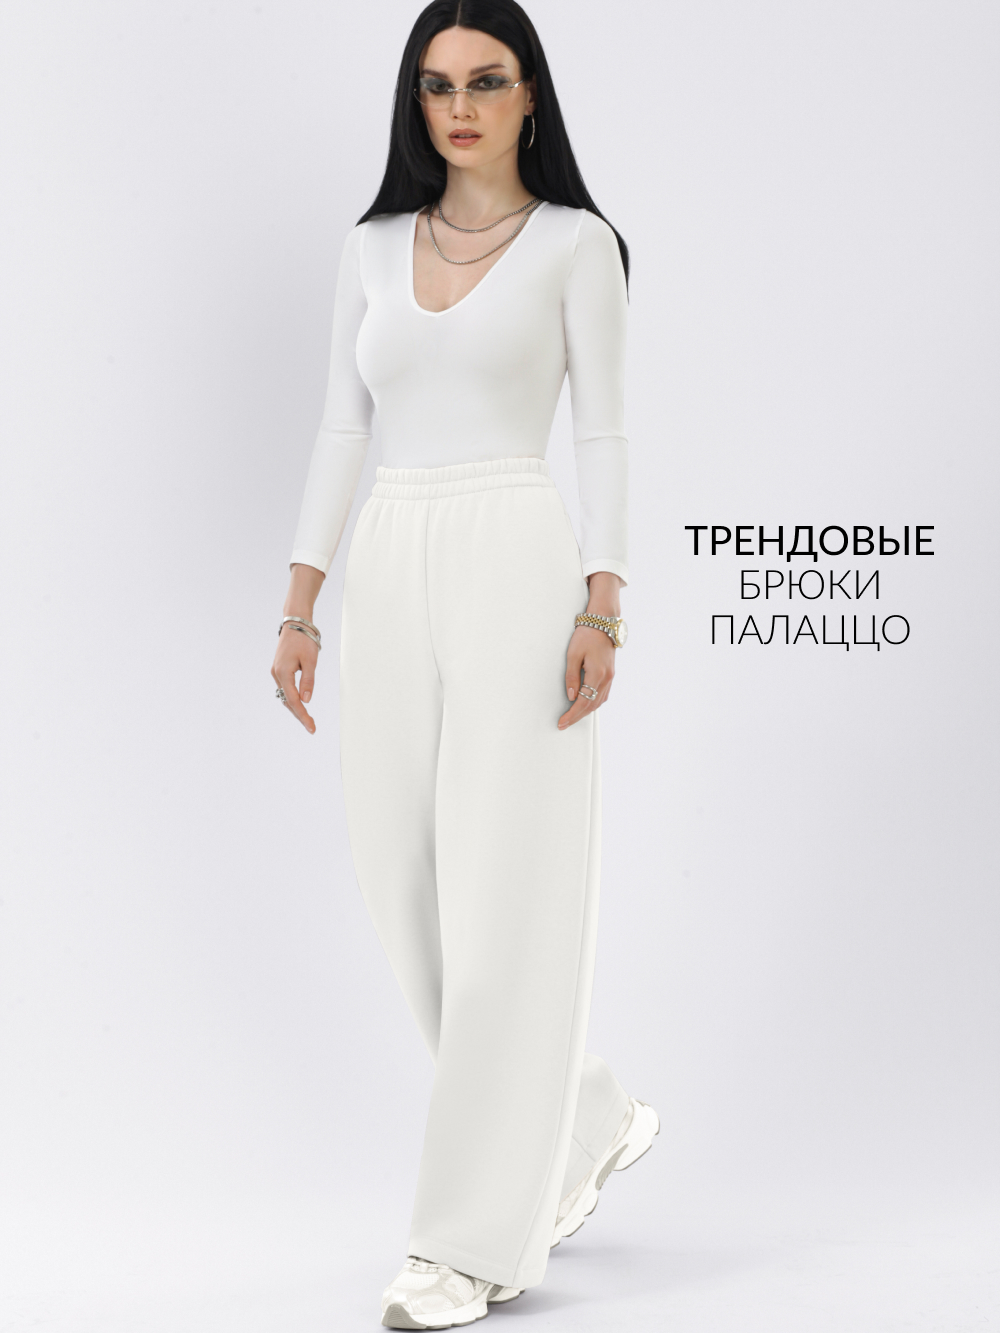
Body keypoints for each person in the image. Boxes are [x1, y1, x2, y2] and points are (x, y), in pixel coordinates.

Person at [270, 1, 658, 1326]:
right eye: (438, 86)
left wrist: (606, 599)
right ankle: (580, 1114)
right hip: (391, 551)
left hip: (516, 554)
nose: (461, 108)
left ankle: (466, 1243)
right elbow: (342, 426)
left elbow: (603, 434)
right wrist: (301, 601)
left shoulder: (576, 247)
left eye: (488, 82)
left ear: (530, 94)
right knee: (400, 877)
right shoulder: (372, 248)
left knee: (507, 894)